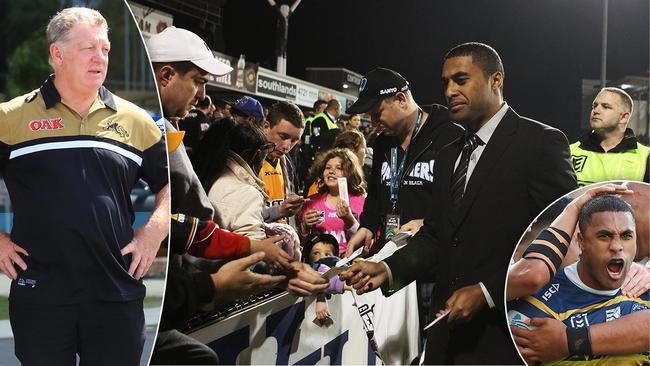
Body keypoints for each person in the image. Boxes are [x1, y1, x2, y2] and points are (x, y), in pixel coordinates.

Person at [341, 42, 577, 364]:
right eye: (446, 82)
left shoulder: (540, 143)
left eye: (461, 80)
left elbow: (562, 241)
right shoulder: (451, 150)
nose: (450, 91)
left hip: (507, 333)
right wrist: (388, 268)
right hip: (444, 332)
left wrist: (487, 293)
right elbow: (439, 234)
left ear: (496, 80)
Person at [147, 26, 327, 364]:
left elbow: (180, 225)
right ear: (166, 75)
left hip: (166, 299)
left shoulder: (161, 129)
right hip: (134, 309)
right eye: (198, 80)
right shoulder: (128, 135)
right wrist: (209, 286)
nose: (202, 95)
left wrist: (259, 249)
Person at [0, 7, 169, 365]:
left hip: (116, 294)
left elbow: (170, 184)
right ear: (57, 54)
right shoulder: (10, 118)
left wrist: (154, 231)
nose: (100, 57)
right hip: (40, 294)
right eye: (89, 48)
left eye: (105, 49)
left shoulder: (138, 121)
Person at [508, 194, 649, 365]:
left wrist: (569, 340)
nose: (617, 247)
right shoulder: (537, 307)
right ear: (581, 241)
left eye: (626, 236)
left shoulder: (643, 282)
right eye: (604, 236)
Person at [344, 67, 463, 256]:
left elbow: (463, 201)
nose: (374, 123)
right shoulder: (383, 142)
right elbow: (375, 193)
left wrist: (427, 223)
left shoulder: (451, 136)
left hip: (434, 256)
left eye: (377, 113)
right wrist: (367, 226)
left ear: (401, 99)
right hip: (391, 254)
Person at [571, 87, 650, 186]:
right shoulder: (570, 152)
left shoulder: (645, 157)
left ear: (623, 117)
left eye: (605, 106)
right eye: (594, 106)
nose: (596, 110)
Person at [299, 148, 366, 254]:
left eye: (339, 168)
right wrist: (305, 228)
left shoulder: (362, 202)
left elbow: (365, 243)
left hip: (349, 263)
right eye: (328, 167)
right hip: (318, 265)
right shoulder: (311, 202)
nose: (331, 171)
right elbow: (303, 245)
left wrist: (350, 220)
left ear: (350, 173)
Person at [260, 100, 307, 227]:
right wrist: (278, 211)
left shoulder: (287, 164)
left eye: (294, 140)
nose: (287, 146)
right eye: (283, 136)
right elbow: (241, 217)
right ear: (265, 127)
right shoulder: (246, 162)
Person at [302, 233, 347, 326]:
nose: (322, 257)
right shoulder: (311, 268)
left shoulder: (338, 266)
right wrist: (320, 296)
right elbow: (318, 278)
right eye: (316, 253)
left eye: (327, 254)